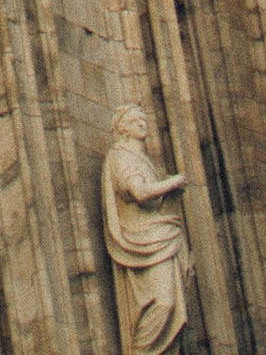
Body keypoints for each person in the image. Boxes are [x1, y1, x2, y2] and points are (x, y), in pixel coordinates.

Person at [101, 104, 192, 352]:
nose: (142, 123)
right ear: (123, 129)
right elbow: (140, 193)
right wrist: (171, 183)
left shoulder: (141, 158)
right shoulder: (120, 156)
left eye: (143, 118)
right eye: (134, 120)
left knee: (174, 308)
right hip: (143, 241)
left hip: (160, 235)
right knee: (163, 304)